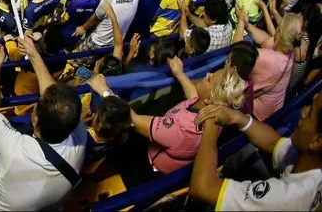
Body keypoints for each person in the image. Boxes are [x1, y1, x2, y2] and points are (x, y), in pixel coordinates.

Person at [0, 37, 87, 211]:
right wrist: (34, 55)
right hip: (42, 204)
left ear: (35, 120)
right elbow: (53, 95)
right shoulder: (79, 135)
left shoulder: (15, 148)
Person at [86, 60, 247, 184]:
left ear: (211, 98)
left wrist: (105, 91)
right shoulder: (215, 113)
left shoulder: (182, 129)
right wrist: (179, 74)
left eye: (210, 79)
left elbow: (132, 118)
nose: (207, 75)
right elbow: (194, 97)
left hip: (149, 167)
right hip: (163, 146)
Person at [189, 93, 322, 210]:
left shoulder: (284, 199)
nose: (303, 111)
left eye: (310, 114)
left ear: (317, 142)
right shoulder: (311, 162)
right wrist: (237, 117)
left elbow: (202, 188)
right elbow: (274, 143)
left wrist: (211, 120)